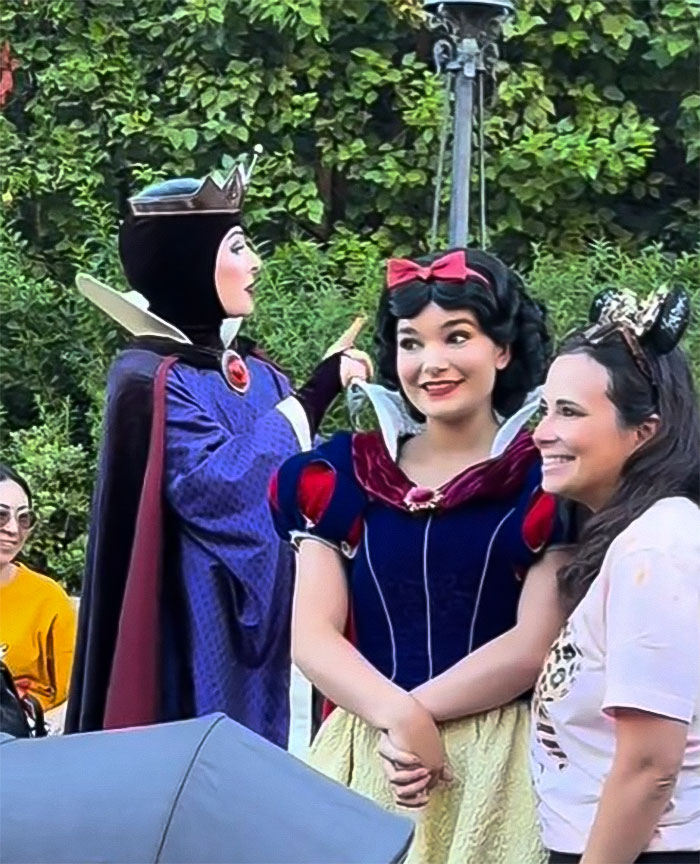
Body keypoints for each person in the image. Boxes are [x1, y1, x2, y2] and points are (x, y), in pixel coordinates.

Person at [270, 248, 576, 863]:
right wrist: (394, 716)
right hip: (366, 752)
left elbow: (532, 645)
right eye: (412, 343)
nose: (431, 362)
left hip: (499, 762)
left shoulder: (547, 479)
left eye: (456, 337)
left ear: (502, 349)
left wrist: (414, 717)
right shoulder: (341, 473)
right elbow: (312, 636)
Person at [66, 159, 369, 748]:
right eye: (237, 247)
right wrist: (316, 393)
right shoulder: (150, 378)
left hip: (279, 624)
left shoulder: (261, 373)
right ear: (189, 264)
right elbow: (221, 487)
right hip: (193, 629)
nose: (255, 263)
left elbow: (298, 488)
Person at [531, 287, 699, 864]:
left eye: (569, 412)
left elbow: (651, 767)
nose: (542, 432)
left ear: (644, 431)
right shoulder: (639, 539)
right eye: (545, 410)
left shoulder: (656, 547)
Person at [0, 463, 77, 714]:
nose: (13, 529)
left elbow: (74, 699)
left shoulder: (48, 599)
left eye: (24, 518)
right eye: (1, 515)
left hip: (25, 733)